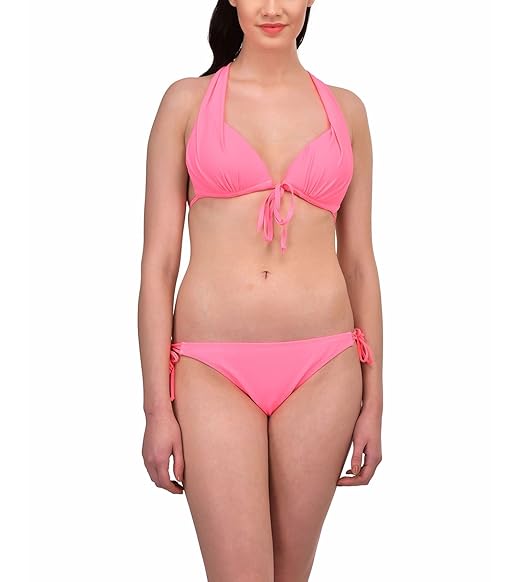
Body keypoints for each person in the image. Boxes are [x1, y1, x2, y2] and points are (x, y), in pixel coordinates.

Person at [138, 1, 383, 579]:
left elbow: (359, 262)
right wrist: (155, 409)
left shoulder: (347, 110)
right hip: (210, 369)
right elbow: (158, 265)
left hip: (325, 367)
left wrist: (375, 402)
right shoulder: (186, 102)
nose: (272, 8)